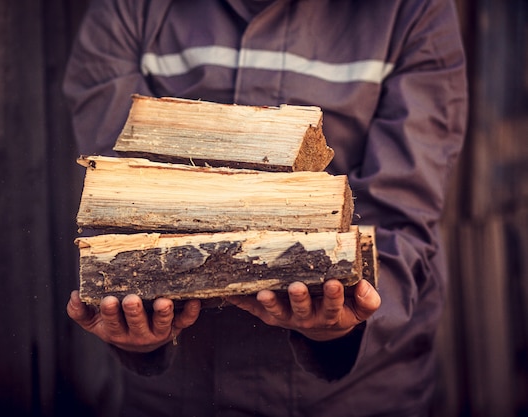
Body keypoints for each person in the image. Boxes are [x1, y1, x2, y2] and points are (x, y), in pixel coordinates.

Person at [63, 0, 468, 415]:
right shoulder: (130, 8)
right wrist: (134, 319)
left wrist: (347, 320)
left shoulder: (412, 10)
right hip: (178, 395)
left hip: (351, 397)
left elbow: (402, 210)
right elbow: (116, 197)